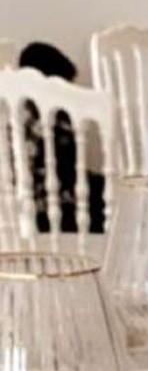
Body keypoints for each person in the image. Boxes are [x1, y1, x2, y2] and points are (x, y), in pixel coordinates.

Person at [17, 42, 106, 233]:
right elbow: (67, 174)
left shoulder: (18, 115)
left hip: (28, 206)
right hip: (51, 209)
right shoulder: (53, 124)